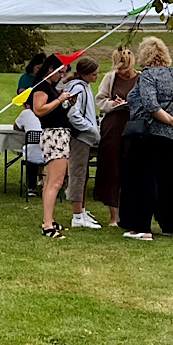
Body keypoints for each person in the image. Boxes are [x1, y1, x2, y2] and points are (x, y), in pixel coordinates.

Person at [118, 37, 173, 241]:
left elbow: (151, 104)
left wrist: (168, 119)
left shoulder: (148, 75)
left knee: (144, 180)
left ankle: (141, 227)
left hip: (150, 134)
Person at [28, 56, 74, 238]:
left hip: (59, 134)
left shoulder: (50, 87)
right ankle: (47, 225)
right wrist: (59, 99)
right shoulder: (41, 87)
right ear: (50, 69)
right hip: (54, 136)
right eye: (60, 72)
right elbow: (39, 110)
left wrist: (66, 103)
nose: (61, 76)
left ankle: (50, 220)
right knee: (55, 182)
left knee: (52, 181)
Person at [92, 46, 138, 225]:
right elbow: (100, 100)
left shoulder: (141, 78)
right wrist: (112, 104)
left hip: (134, 127)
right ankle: (114, 216)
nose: (122, 72)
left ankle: (132, 212)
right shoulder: (110, 78)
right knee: (112, 169)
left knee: (133, 169)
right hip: (113, 127)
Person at [63, 57, 103, 229]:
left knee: (84, 174)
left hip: (85, 137)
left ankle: (82, 210)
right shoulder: (78, 88)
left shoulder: (84, 86)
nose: (96, 77)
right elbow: (73, 115)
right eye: (93, 74)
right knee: (78, 174)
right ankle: (77, 216)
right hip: (80, 137)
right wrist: (91, 129)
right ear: (84, 74)